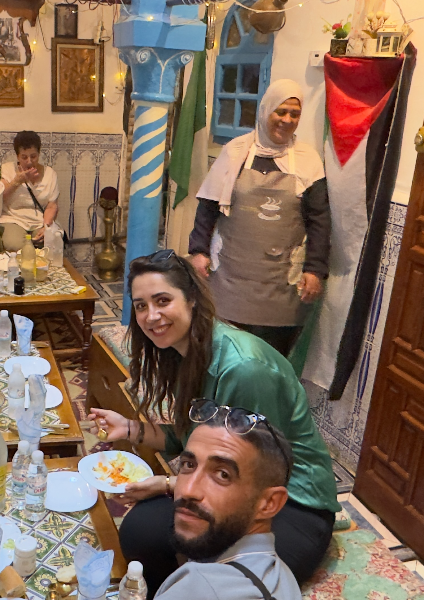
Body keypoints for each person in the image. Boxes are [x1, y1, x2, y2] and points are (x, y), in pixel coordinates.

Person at [88, 250, 339, 596]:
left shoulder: (243, 369)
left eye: (163, 300)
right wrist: (129, 428)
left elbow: (249, 473)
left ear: (192, 299)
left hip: (288, 505)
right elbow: (184, 439)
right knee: (142, 530)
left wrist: (166, 484)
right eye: (141, 305)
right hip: (232, 484)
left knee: (199, 564)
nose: (151, 316)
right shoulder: (184, 351)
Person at [188, 79, 331, 356]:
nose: (287, 120)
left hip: (281, 283)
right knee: (224, 351)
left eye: (294, 114)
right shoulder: (235, 152)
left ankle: (261, 400)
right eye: (281, 112)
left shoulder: (308, 160)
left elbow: (319, 220)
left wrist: (315, 270)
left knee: (270, 357)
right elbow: (207, 206)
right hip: (231, 277)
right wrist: (198, 251)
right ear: (265, 111)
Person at [155, 407, 300, 600]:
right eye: (189, 465)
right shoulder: (283, 578)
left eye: (223, 475)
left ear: (269, 503)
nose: (188, 490)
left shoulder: (197, 588)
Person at [0, 130, 60, 252]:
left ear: (39, 154)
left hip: (39, 221)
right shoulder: (7, 169)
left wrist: (46, 227)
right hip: (13, 218)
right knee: (14, 245)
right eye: (24, 157)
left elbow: (52, 206)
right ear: (17, 156)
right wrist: (17, 181)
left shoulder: (50, 174)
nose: (29, 161)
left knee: (50, 241)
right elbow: (0, 197)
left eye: (33, 156)